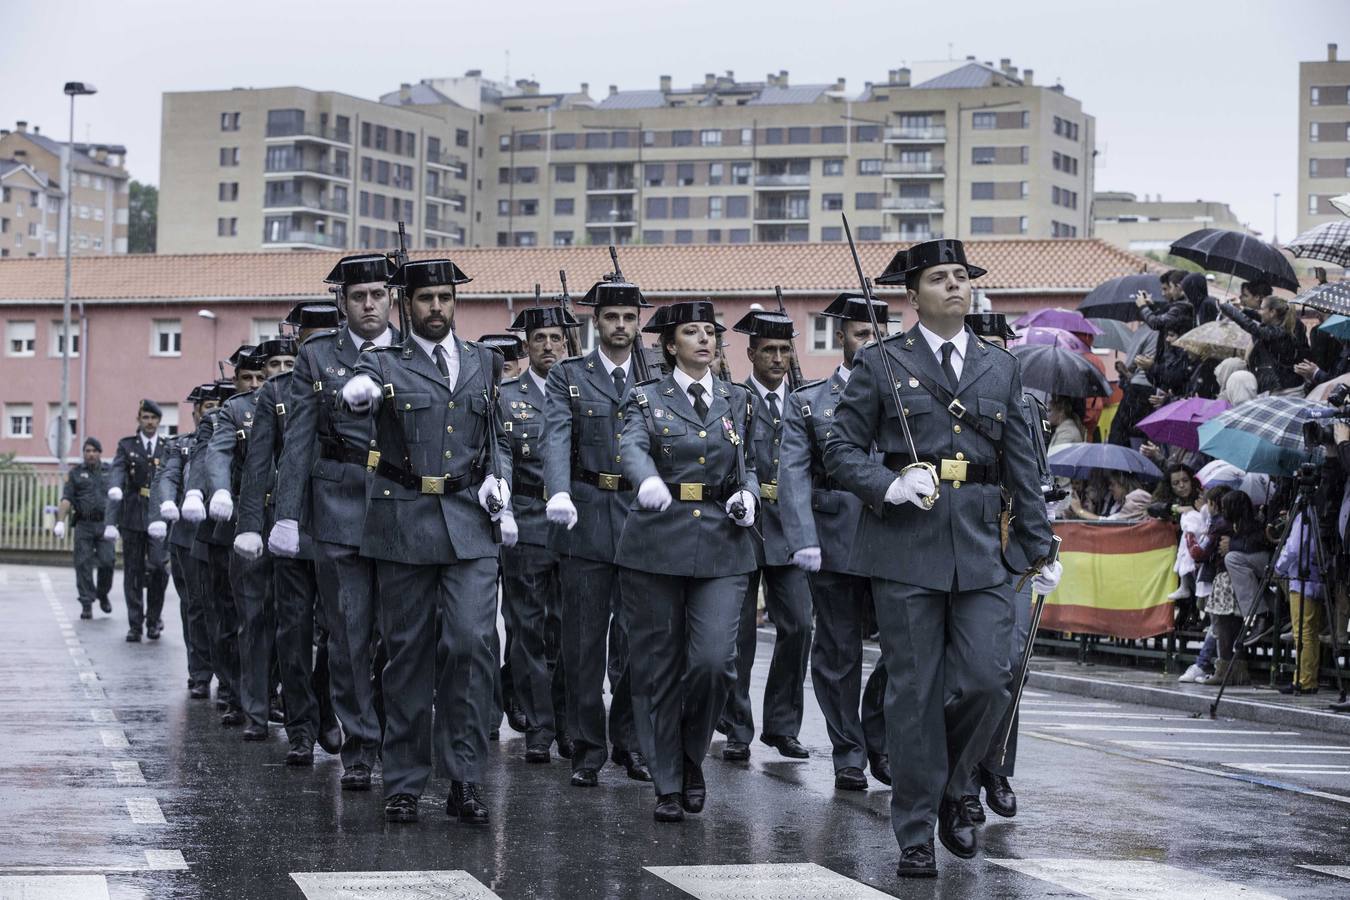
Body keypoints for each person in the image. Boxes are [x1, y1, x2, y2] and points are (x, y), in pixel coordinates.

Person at [824, 239, 1059, 877]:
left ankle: (958, 786)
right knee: (914, 693)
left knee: (989, 677)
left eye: (961, 276)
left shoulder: (1000, 367)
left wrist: (1039, 546)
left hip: (985, 548)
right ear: (913, 294)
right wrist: (887, 484)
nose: (955, 286)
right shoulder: (880, 364)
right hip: (905, 547)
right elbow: (840, 449)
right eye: (939, 277)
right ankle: (915, 830)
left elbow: (1022, 467)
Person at [340, 257, 512, 826]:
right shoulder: (383, 362)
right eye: (424, 299)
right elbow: (358, 398)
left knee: (469, 645)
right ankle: (407, 781)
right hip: (404, 521)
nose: (436, 307)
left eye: (443, 298)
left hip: (469, 522)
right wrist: (360, 391)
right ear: (405, 306)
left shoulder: (486, 361)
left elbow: (495, 435)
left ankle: (464, 778)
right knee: (407, 655)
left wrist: (499, 481)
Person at [614, 299, 761, 823]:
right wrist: (646, 477)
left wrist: (748, 496)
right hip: (656, 544)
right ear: (670, 345)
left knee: (714, 663)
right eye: (692, 333)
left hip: (723, 544)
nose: (704, 340)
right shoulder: (645, 398)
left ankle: (689, 755)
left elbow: (749, 463)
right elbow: (630, 446)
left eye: (710, 332)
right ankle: (669, 781)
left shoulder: (736, 399)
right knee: (657, 668)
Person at [270, 254, 398, 791]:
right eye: (358, 296)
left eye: (378, 294)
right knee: (347, 636)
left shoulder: (418, 352)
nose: (369, 304)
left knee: (402, 638)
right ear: (343, 302)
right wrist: (285, 517)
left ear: (392, 298)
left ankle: (399, 736)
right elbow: (298, 440)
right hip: (338, 507)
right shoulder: (317, 358)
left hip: (403, 506)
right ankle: (362, 745)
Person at [541, 267, 653, 788]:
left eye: (630, 317)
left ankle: (630, 740)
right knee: (583, 643)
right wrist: (558, 490)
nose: (621, 326)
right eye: (612, 316)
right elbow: (556, 436)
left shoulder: (655, 375)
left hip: (641, 519)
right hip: (586, 512)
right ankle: (588, 745)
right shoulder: (570, 374)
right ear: (595, 321)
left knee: (637, 641)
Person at [778, 292, 891, 791]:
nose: (870, 344)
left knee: (905, 653)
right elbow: (794, 475)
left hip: (894, 537)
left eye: (878, 335)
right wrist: (802, 538)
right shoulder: (810, 401)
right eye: (862, 334)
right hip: (836, 539)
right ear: (841, 338)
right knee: (839, 652)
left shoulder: (903, 398)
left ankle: (880, 737)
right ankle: (848, 750)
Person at [237, 306, 342, 765]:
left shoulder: (360, 377)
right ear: (299, 342)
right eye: (311, 338)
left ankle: (325, 705)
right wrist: (248, 526)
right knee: (293, 631)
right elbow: (259, 462)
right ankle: (300, 727)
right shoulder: (276, 392)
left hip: (344, 524)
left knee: (347, 633)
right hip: (292, 527)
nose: (318, 345)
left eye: (326, 337)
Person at [719, 310, 813, 762]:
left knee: (798, 625)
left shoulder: (805, 399)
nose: (778, 358)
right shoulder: (734, 401)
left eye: (784, 349)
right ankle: (737, 726)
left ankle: (782, 725)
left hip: (790, 526)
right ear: (751, 353)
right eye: (768, 350)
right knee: (739, 636)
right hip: (743, 525)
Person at [498, 305, 578, 763]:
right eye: (540, 339)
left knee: (568, 629)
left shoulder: (579, 390)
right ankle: (539, 727)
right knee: (526, 627)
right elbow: (503, 455)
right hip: (527, 515)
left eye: (556, 338)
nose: (549, 346)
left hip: (569, 523)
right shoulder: (508, 396)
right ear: (526, 346)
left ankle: (567, 721)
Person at [149, 385, 221, 698]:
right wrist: (166, 505)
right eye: (206, 407)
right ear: (194, 412)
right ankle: (201, 673)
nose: (212, 412)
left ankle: (236, 678)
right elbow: (167, 477)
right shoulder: (181, 445)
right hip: (189, 535)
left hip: (225, 532)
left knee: (229, 608)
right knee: (196, 605)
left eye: (219, 405)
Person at [104, 399, 170, 642]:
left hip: (159, 516)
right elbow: (117, 471)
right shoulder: (127, 445)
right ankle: (135, 624)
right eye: (145, 418)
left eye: (153, 418)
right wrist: (115, 489)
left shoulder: (166, 446)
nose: (149, 422)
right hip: (132, 514)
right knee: (133, 571)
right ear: (139, 420)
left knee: (158, 568)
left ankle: (154, 619)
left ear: (159, 421)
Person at [54, 437, 114, 619]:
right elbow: (66, 499)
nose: (91, 454)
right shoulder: (76, 473)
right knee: (82, 564)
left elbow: (119, 497)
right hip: (84, 524)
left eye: (94, 451)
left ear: (100, 453)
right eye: (87, 451)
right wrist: (60, 521)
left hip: (104, 524)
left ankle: (102, 593)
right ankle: (86, 602)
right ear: (83, 453)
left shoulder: (109, 472)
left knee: (107, 561)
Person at [1219, 290, 1306, 394]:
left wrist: (1227, 308)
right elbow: (1259, 316)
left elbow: (1253, 328)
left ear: (1273, 312)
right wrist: (1242, 309)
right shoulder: (1283, 324)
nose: (1259, 311)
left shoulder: (1279, 333)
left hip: (1285, 391)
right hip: (1283, 385)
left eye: (1261, 308)